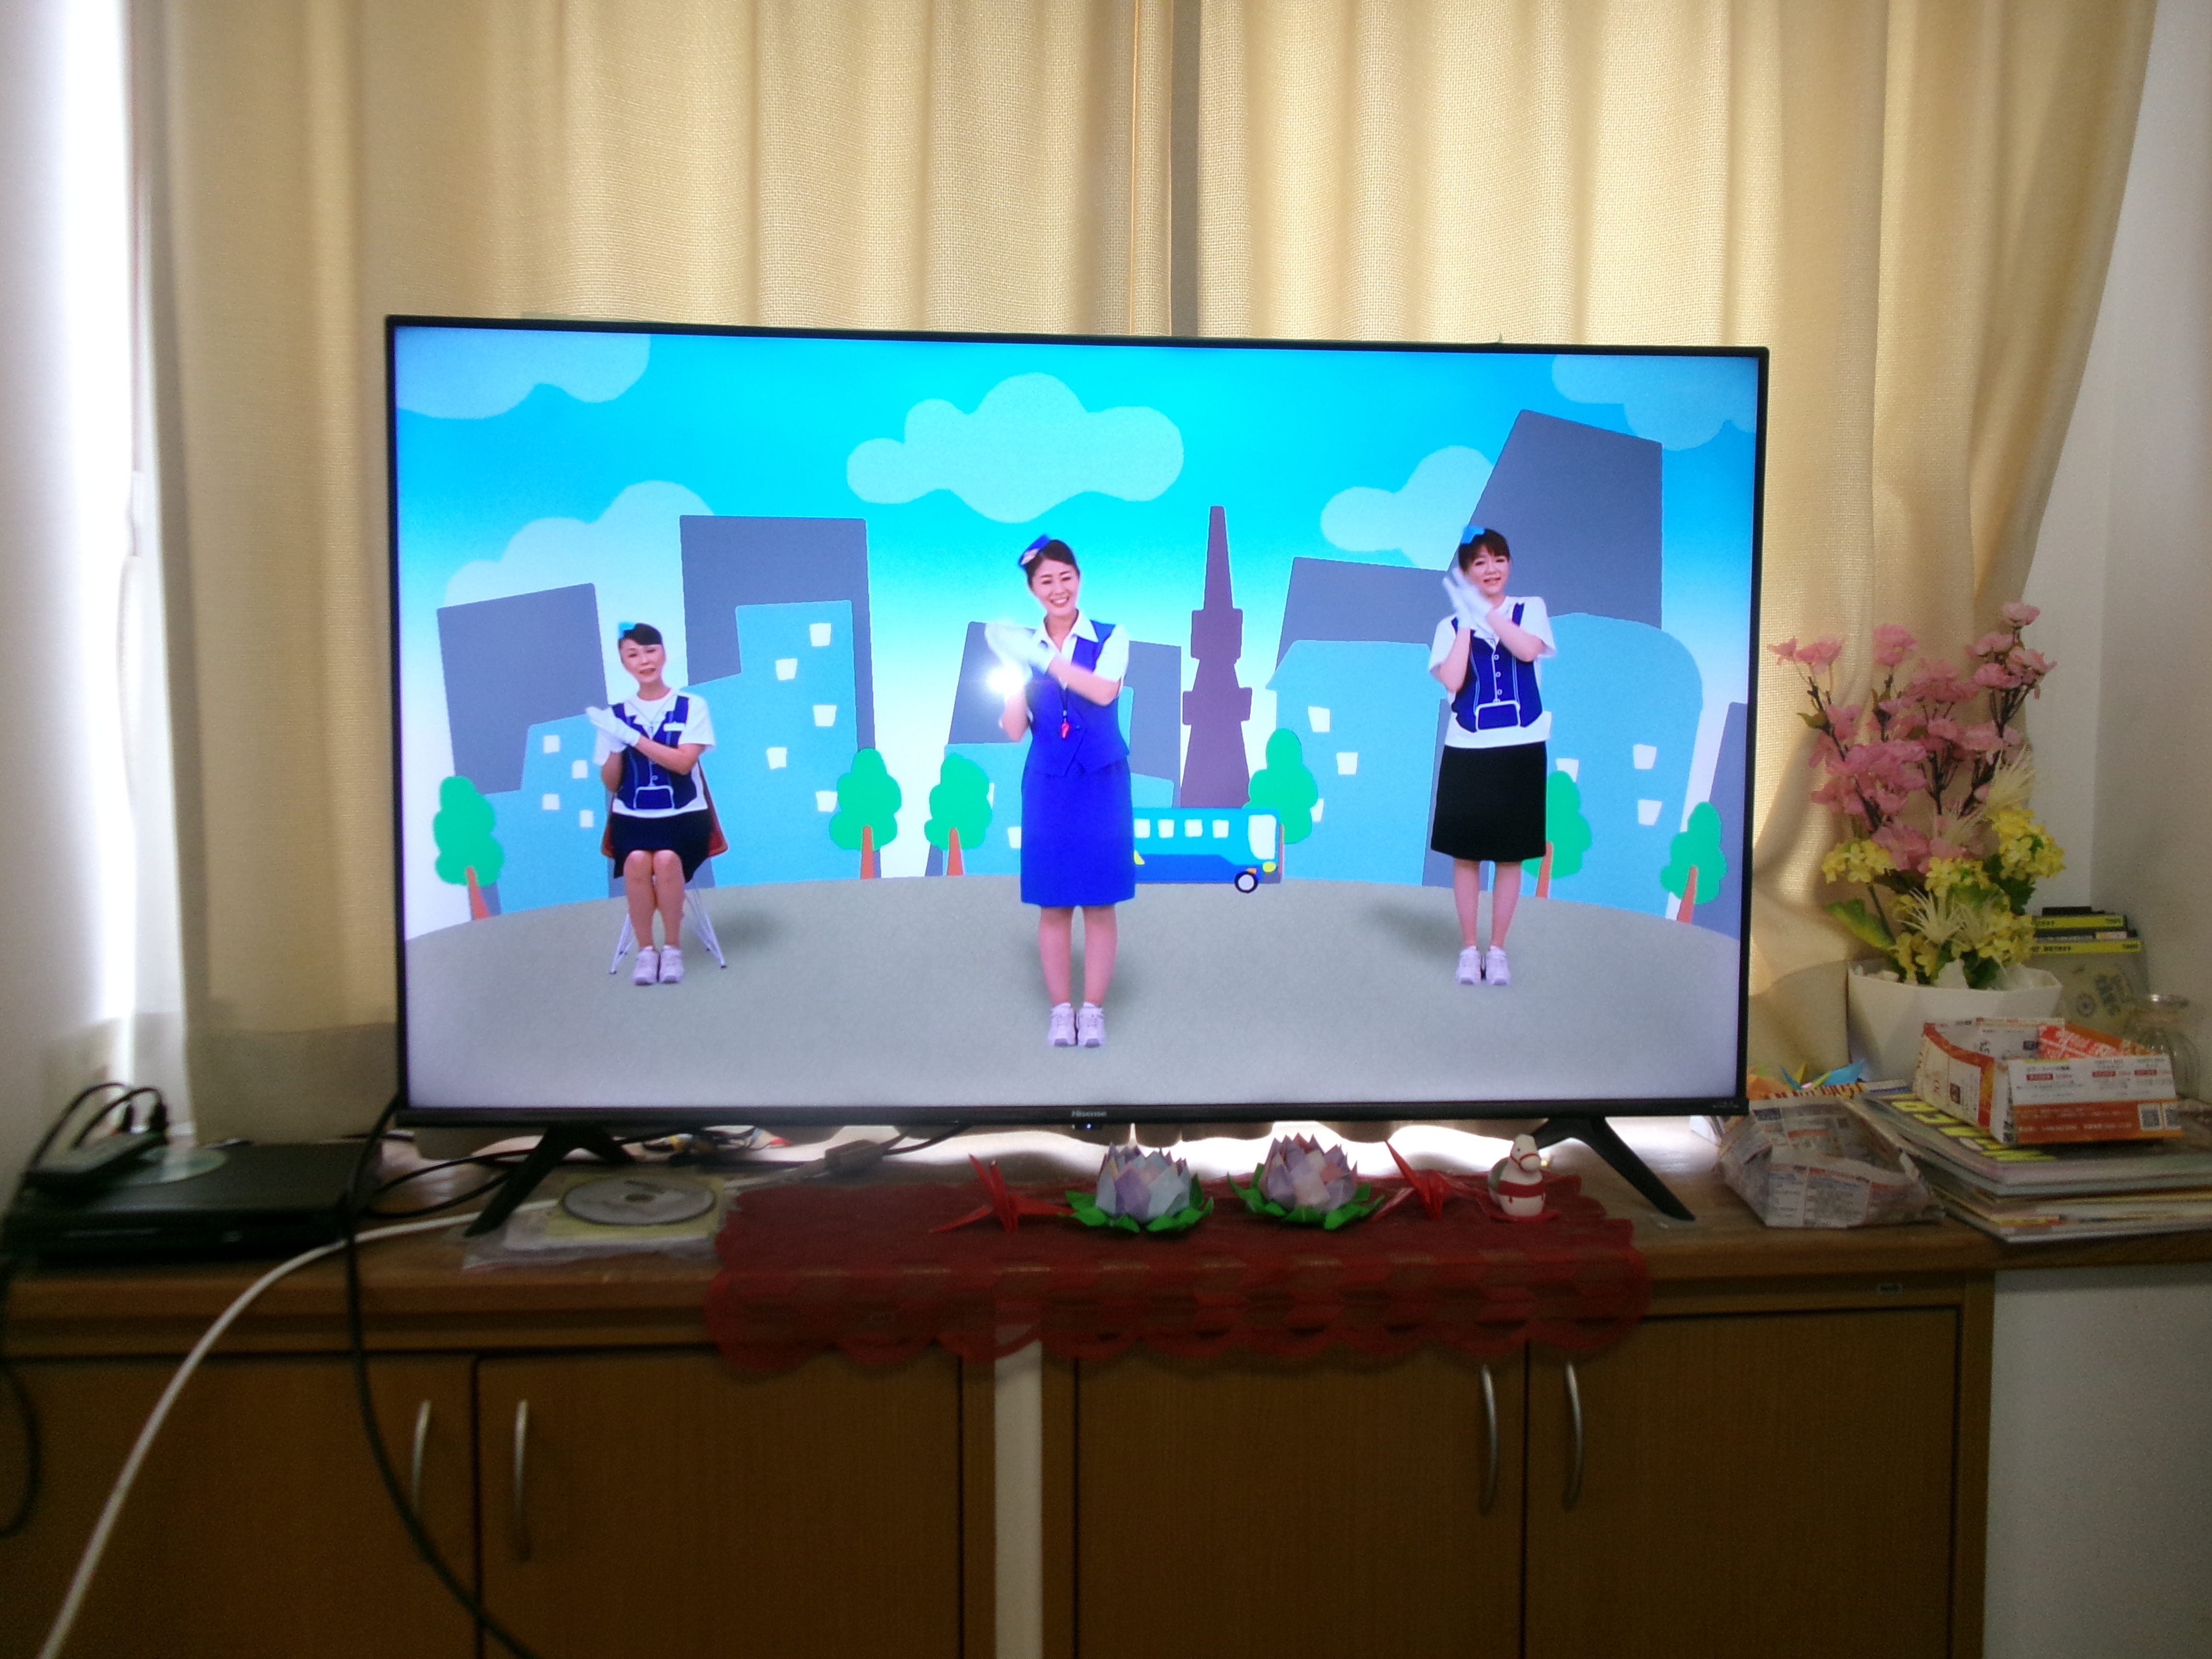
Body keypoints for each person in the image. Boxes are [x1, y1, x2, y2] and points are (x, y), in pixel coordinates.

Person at [994, 536, 1135, 1047]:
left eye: (1066, 578)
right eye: (1046, 581)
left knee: (1100, 901)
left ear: (1080, 579)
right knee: (1053, 904)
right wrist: (1015, 673)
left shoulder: (1111, 636)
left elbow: (1103, 690)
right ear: (1033, 590)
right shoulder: (1023, 649)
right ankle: (1061, 1012)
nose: (1058, 589)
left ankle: (1092, 1011)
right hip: (1048, 784)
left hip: (1101, 780)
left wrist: (1042, 659)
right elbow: (1014, 730)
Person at [1428, 524, 1555, 987]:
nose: (1492, 569)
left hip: (1521, 748)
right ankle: (1469, 950)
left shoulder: (1530, 609)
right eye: (1479, 562)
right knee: (1466, 855)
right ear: (1465, 572)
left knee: (1510, 856)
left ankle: (1497, 950)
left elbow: (1527, 650)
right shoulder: (1448, 626)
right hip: (1468, 749)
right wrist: (1466, 620)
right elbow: (1453, 681)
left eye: (1499, 559)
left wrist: (1486, 612)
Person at [588, 623, 717, 986]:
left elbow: (683, 763)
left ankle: (672, 949)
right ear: (624, 663)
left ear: (663, 654)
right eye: (633, 654)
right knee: (635, 861)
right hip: (632, 819)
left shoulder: (691, 706)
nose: (644, 661)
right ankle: (647, 952)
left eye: (650, 651)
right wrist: (616, 745)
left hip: (684, 817)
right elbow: (612, 783)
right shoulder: (614, 714)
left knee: (666, 860)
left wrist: (632, 737)